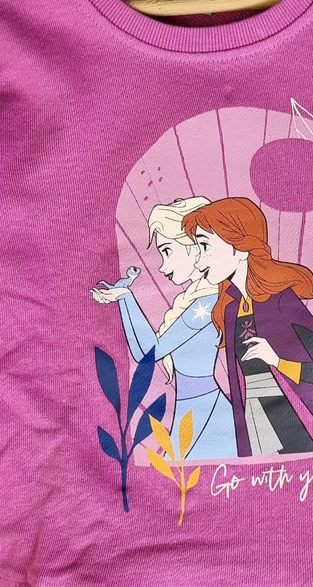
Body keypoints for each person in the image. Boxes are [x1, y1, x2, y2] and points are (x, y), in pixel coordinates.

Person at [181, 196, 313, 457]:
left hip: (296, 418)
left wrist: (277, 360)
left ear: (240, 248)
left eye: (205, 246)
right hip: (254, 418)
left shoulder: (280, 301)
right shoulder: (230, 308)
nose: (198, 261)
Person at [90, 197, 237, 461]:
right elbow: (143, 353)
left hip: (209, 416)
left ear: (195, 248)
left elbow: (149, 352)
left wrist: (126, 298)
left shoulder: (206, 304)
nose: (161, 265)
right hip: (192, 413)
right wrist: (124, 299)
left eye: (167, 251)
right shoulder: (194, 301)